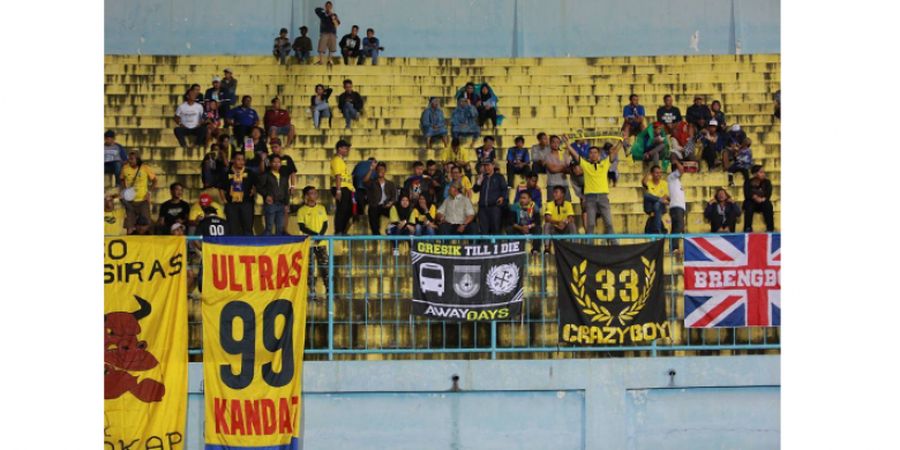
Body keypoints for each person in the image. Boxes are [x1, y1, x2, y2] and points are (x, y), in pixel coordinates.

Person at [566, 141, 620, 242]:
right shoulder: (585, 165)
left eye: (595, 152)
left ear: (599, 154)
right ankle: (589, 247)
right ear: (589, 155)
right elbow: (576, 155)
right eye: (591, 153)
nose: (593, 154)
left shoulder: (604, 163)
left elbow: (614, 153)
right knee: (590, 224)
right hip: (590, 198)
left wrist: (621, 140)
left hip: (603, 197)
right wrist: (568, 145)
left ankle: (615, 245)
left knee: (608, 223)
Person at [297, 186, 329, 297]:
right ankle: (312, 292)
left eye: (315, 193)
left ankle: (329, 291)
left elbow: (325, 224)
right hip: (309, 244)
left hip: (321, 243)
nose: (314, 195)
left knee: (325, 268)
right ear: (306, 196)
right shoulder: (302, 210)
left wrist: (320, 236)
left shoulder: (321, 208)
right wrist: (315, 235)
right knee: (310, 269)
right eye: (311, 193)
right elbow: (302, 227)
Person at [119, 151, 157, 235]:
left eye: (132, 159)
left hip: (143, 201)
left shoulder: (145, 168)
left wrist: (149, 192)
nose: (130, 160)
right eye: (129, 158)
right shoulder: (125, 168)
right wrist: (125, 190)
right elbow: (121, 179)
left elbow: (155, 180)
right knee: (130, 226)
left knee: (146, 224)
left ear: (137, 159)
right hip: (130, 202)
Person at [220, 152, 257, 236]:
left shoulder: (250, 173)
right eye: (238, 159)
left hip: (246, 203)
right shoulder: (227, 173)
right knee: (233, 228)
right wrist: (224, 201)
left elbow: (257, 184)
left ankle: (249, 246)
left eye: (243, 160)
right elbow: (221, 188)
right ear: (233, 160)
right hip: (231, 204)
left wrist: (254, 189)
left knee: (248, 227)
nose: (241, 162)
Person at [257, 155, 291, 235]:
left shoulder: (284, 176)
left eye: (278, 162)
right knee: (269, 227)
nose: (276, 164)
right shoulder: (266, 175)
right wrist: (266, 195)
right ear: (270, 163)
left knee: (280, 228)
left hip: (281, 204)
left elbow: (286, 191)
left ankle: (278, 246)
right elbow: (259, 187)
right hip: (271, 204)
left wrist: (286, 204)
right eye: (274, 162)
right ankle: (266, 245)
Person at [362, 161, 398, 235]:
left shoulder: (390, 184)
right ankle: (376, 234)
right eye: (378, 169)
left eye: (382, 169)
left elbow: (394, 196)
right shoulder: (372, 182)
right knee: (372, 211)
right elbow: (364, 181)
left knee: (396, 210)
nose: (380, 171)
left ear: (385, 170)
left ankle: (393, 230)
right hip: (375, 206)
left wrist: (391, 203)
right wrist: (371, 169)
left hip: (386, 206)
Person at [472, 161, 508, 235]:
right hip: (482, 208)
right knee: (483, 231)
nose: (486, 167)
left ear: (493, 165)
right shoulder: (482, 177)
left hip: (494, 207)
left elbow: (504, 189)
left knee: (496, 230)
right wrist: (479, 181)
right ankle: (485, 246)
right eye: (484, 166)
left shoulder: (499, 177)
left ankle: (496, 246)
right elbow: (475, 190)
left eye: (488, 165)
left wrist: (502, 197)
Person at [330, 139, 354, 235]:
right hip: (341, 187)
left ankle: (342, 230)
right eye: (345, 148)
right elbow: (338, 176)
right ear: (339, 149)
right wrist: (338, 190)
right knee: (342, 209)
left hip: (346, 188)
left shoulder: (341, 161)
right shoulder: (337, 160)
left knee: (348, 210)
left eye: (347, 149)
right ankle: (339, 230)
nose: (346, 150)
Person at [743, 165, 775, 232]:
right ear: (755, 174)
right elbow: (747, 194)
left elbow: (768, 193)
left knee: (768, 204)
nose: (763, 174)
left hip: (762, 202)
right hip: (751, 202)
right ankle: (748, 227)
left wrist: (763, 199)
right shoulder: (748, 182)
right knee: (748, 204)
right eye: (761, 172)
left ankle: (770, 228)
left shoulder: (767, 182)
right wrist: (754, 197)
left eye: (763, 172)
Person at [509, 190, 541, 254]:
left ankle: (535, 250)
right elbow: (511, 222)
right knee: (509, 228)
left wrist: (528, 227)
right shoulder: (515, 207)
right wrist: (521, 228)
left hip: (530, 227)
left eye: (524, 198)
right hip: (519, 227)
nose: (522, 200)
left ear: (529, 199)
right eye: (521, 198)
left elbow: (537, 221)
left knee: (538, 228)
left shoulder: (534, 207)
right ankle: (512, 249)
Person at [542, 135, 571, 201]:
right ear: (550, 143)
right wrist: (563, 167)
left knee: (567, 206)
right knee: (552, 207)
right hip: (552, 184)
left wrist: (557, 167)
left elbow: (569, 169)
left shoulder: (564, 155)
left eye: (557, 142)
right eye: (553, 142)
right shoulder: (547, 156)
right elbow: (552, 169)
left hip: (564, 184)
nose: (555, 144)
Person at [641, 165, 669, 234]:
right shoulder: (649, 182)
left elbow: (666, 196)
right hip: (649, 207)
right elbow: (643, 182)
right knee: (646, 195)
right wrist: (648, 174)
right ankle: (658, 200)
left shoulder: (664, 183)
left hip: (661, 207)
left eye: (660, 173)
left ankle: (658, 231)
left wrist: (659, 201)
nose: (659, 174)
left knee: (657, 204)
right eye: (656, 173)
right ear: (652, 174)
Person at [668, 157, 688, 251]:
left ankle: (673, 247)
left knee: (676, 227)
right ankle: (674, 246)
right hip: (676, 207)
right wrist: (675, 161)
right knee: (679, 226)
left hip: (679, 208)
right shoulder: (671, 177)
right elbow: (681, 169)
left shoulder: (678, 181)